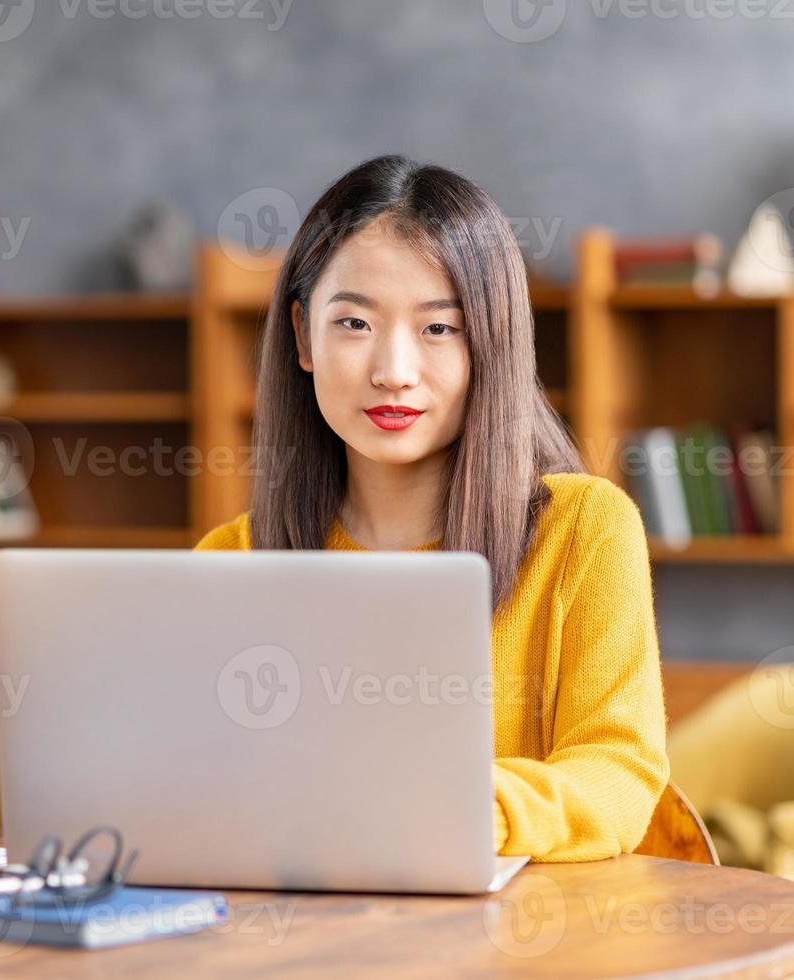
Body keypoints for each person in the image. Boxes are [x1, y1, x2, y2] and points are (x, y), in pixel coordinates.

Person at [194, 154, 669, 862]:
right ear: (302, 337)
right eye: (354, 323)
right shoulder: (231, 562)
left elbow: (620, 775)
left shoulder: (584, 530)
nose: (393, 370)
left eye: (439, 329)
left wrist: (462, 811)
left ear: (492, 341)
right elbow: (193, 786)